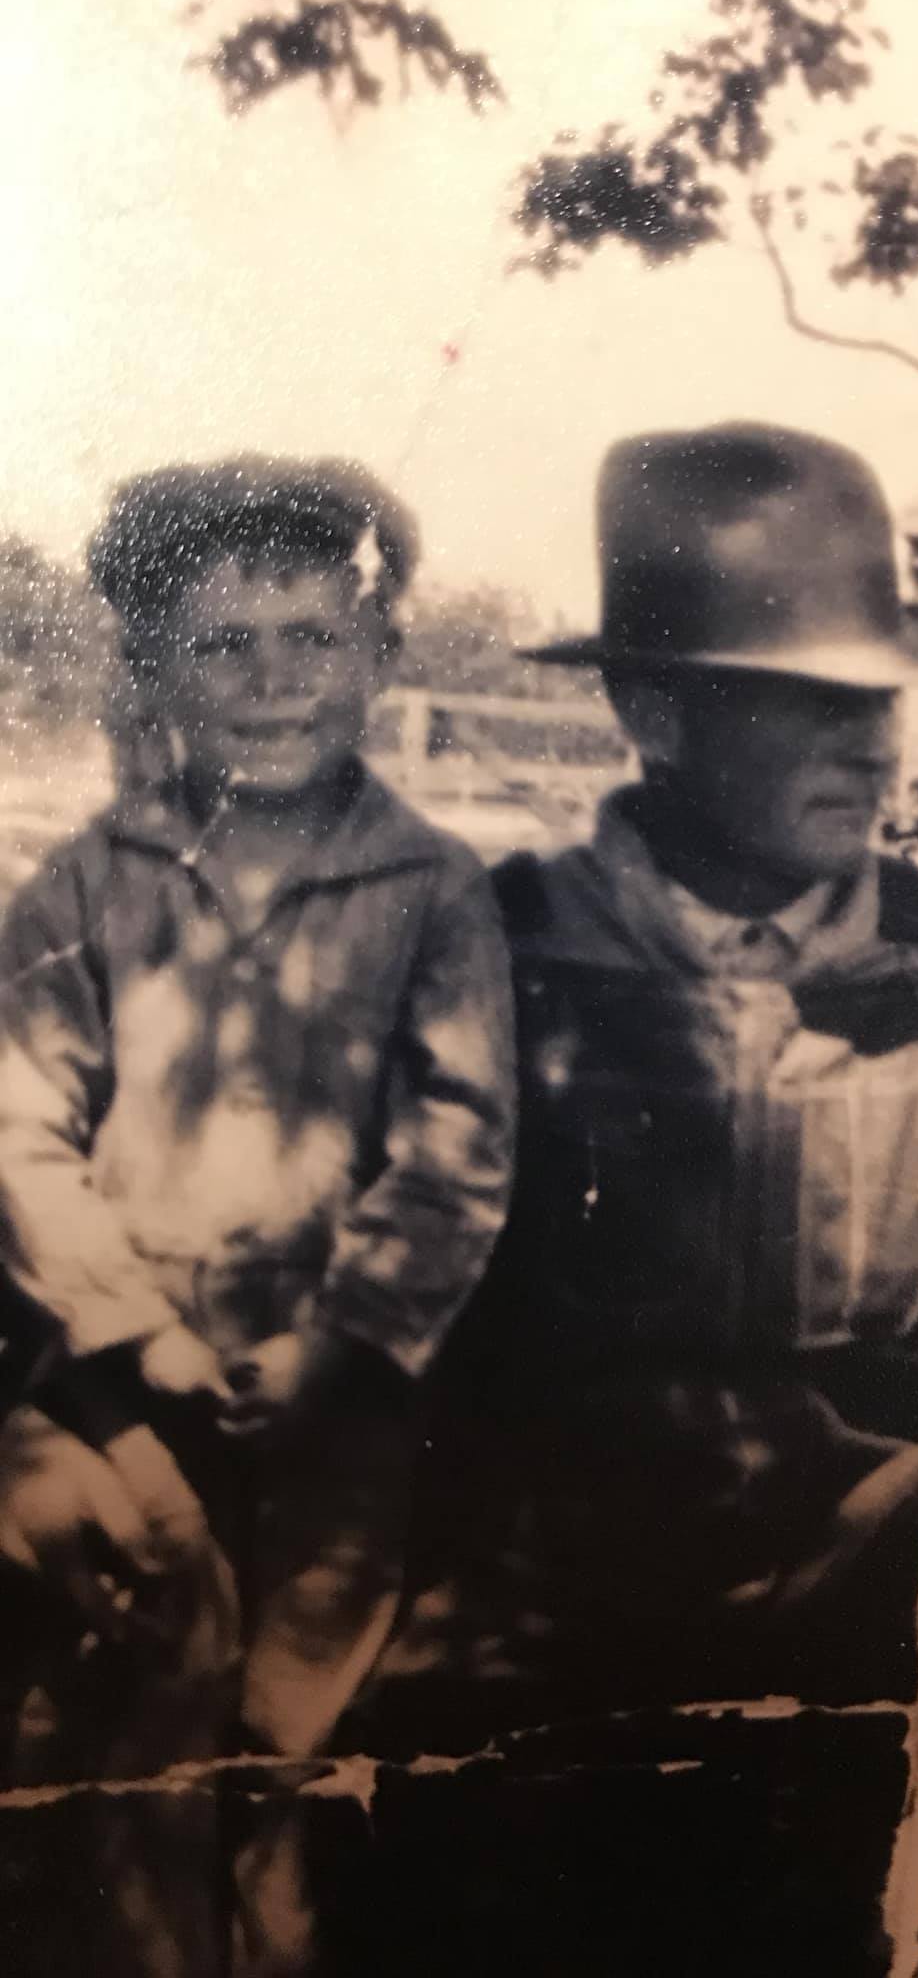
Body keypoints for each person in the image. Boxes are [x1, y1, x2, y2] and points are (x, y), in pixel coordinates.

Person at [411, 425, 918, 1844]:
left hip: (875, 1566)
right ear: (655, 713)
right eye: (808, 699)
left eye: (878, 699)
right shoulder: (490, 958)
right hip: (545, 1595)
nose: (866, 739)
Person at [0, 456, 517, 1974]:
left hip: (335, 1386)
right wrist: (126, 1326)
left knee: (293, 1734)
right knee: (149, 1679)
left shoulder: (432, 887)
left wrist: (351, 1334)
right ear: (156, 666)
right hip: (128, 1374)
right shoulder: (89, 887)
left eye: (314, 639)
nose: (276, 680)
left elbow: (460, 1140)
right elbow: (20, 1125)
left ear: (380, 658)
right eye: (226, 645)